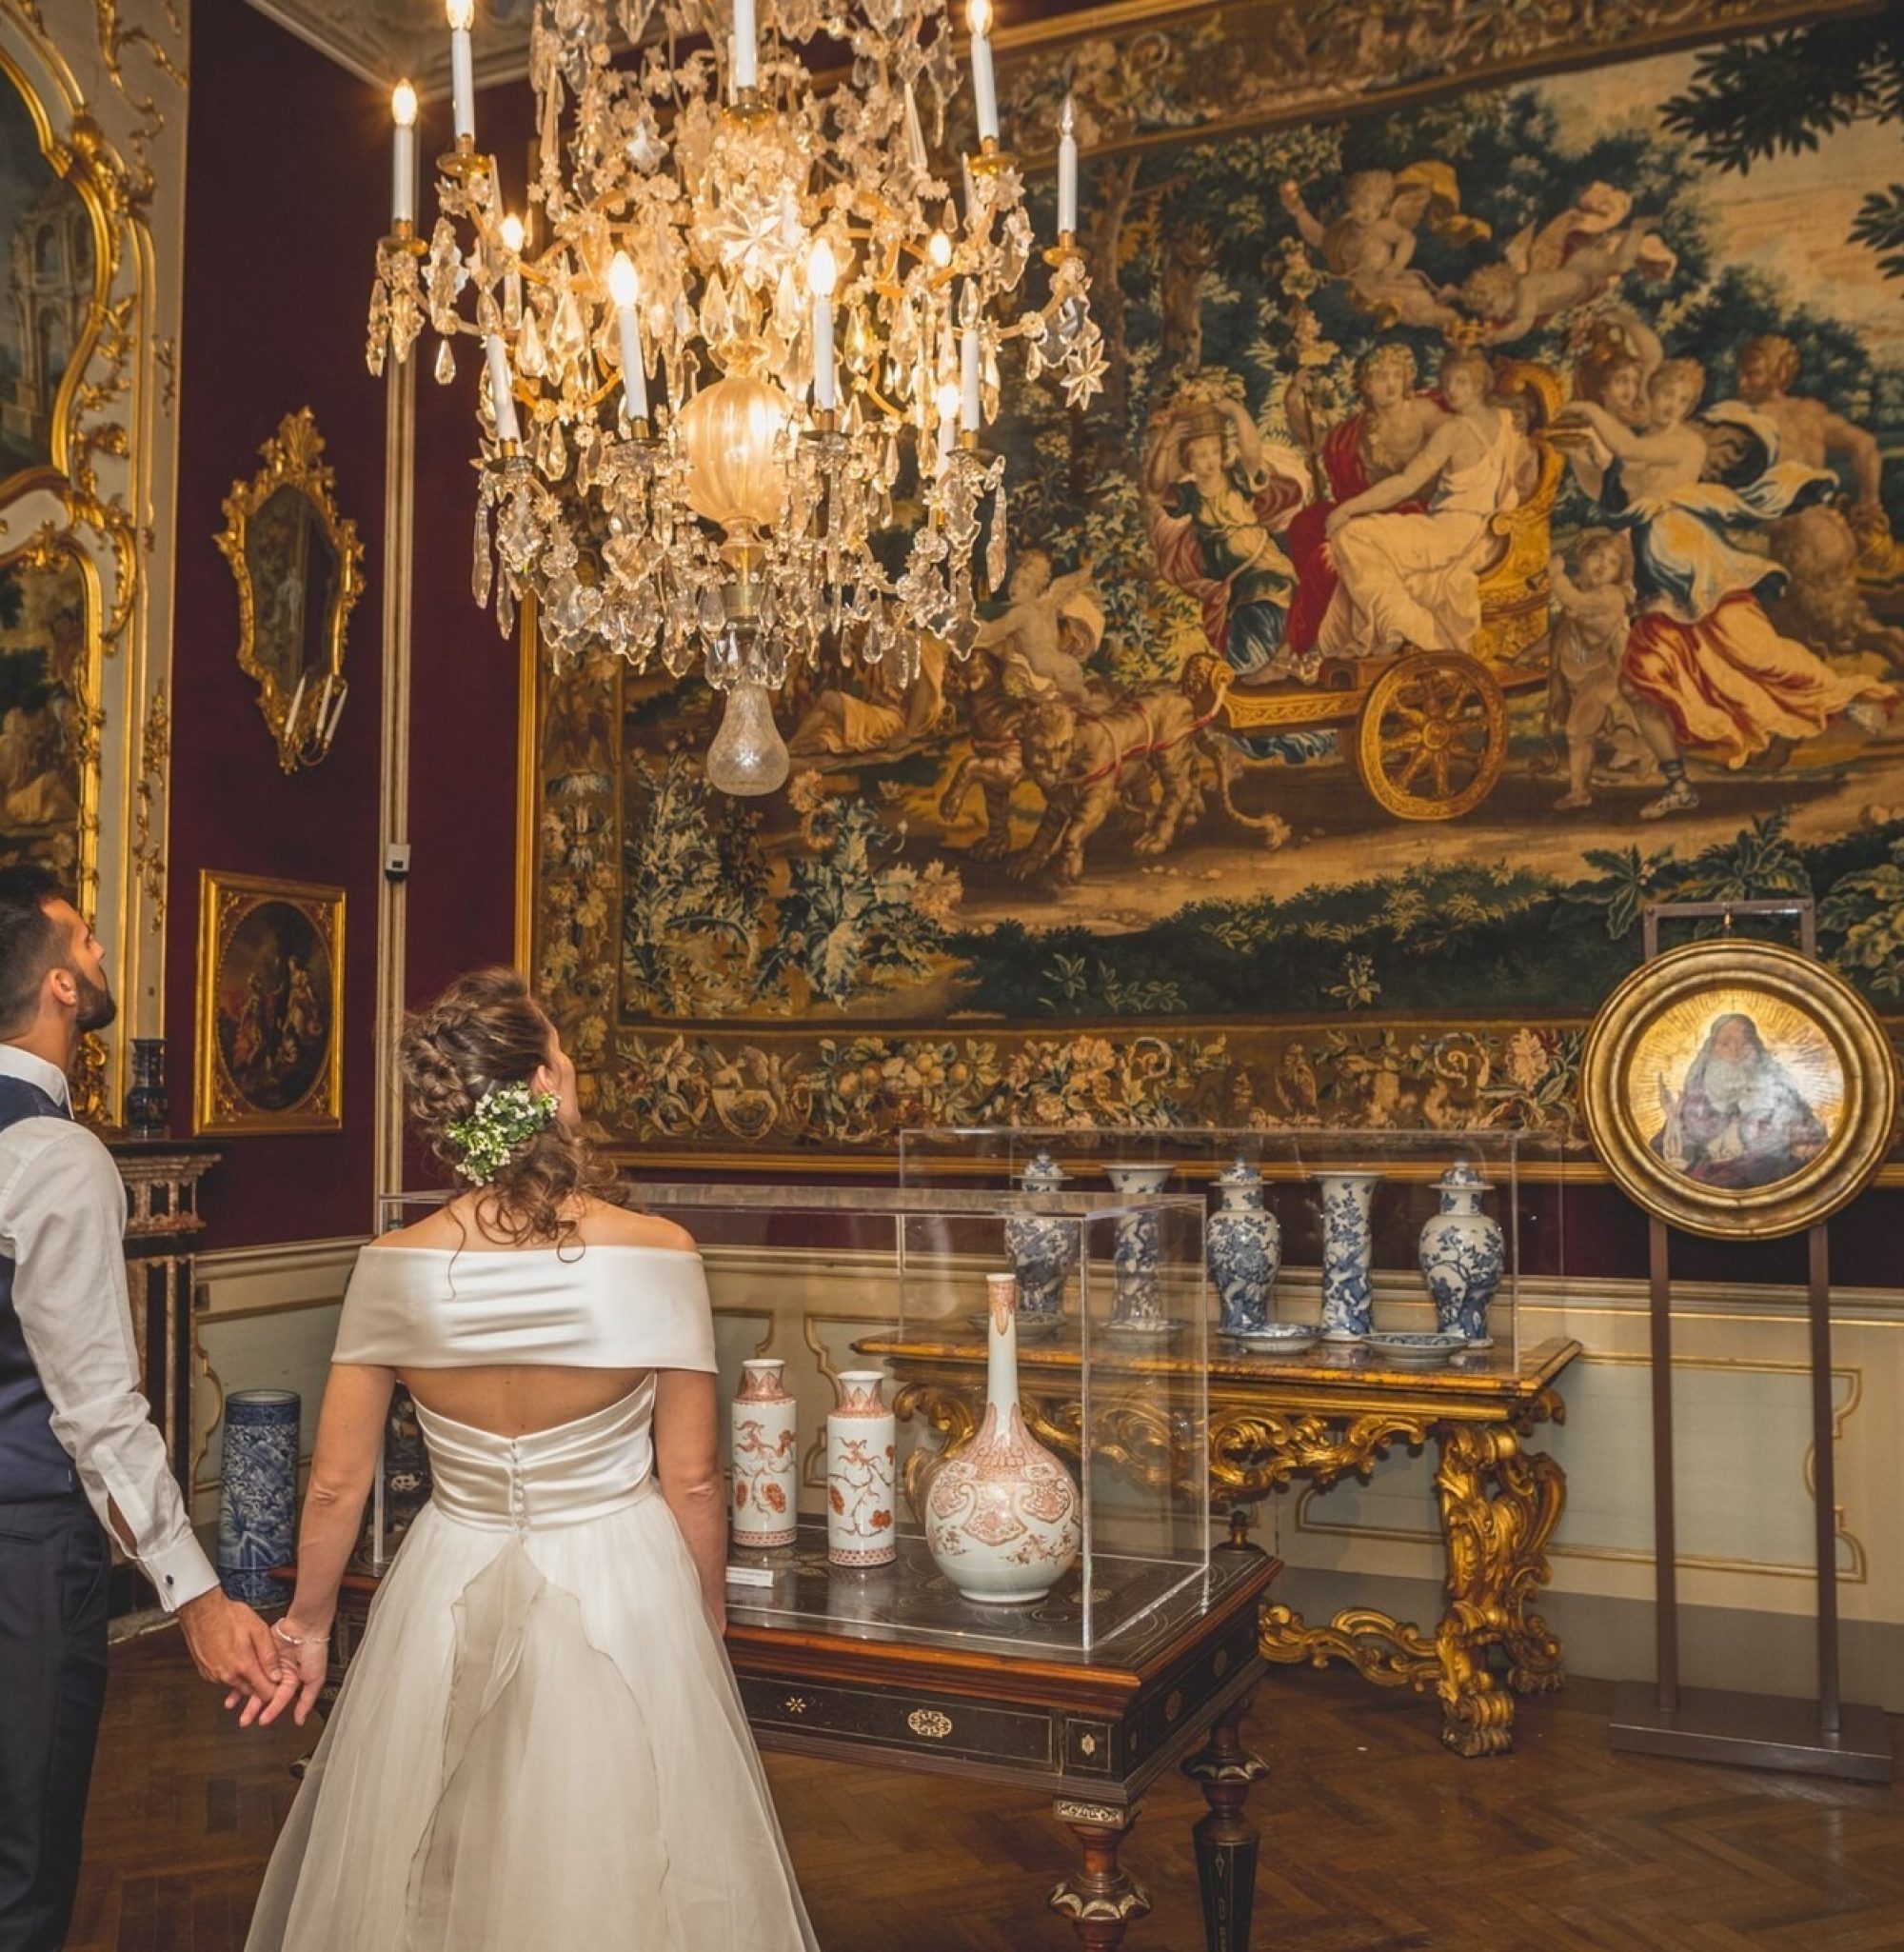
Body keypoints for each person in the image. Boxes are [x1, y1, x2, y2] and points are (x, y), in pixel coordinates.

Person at [242, 968, 816, 1952]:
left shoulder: (392, 1263)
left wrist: (304, 1621)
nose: (573, 1064)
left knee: (447, 1848)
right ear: (544, 1086)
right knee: (624, 1847)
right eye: (562, 1050)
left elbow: (338, 1481)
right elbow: (693, 1479)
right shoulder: (658, 1250)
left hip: (449, 1571)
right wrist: (704, 1616)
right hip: (620, 1578)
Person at [0, 865, 281, 1952]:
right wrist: (198, 1596)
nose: (104, 952)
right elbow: (96, 1411)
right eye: (89, 940)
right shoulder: (54, 1157)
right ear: (60, 985)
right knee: (23, 1863)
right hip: (24, 1553)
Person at [1558, 359, 1894, 818]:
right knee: (1642, 683)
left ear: (1690, 408)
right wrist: (1582, 454)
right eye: (1664, 395)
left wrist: (1584, 410)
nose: (1670, 406)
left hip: (1701, 572)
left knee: (1758, 654)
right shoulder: (1636, 456)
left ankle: (1846, 697)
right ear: (1650, 395)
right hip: (1657, 584)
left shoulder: (1683, 445)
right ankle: (1678, 784)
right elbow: (1609, 496)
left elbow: (1624, 448)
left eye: (1681, 400)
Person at [1318, 348, 1526, 658]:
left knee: (1351, 536)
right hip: (1487, 536)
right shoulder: (1509, 422)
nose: (1452, 390)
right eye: (1448, 382)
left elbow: (1406, 483)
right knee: (1373, 557)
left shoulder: (1453, 430)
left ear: (1480, 386)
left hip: (1450, 534)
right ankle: (1392, 630)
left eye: (1462, 382)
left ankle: (1414, 631)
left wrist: (1347, 509)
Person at [1653, 1011, 1827, 1188]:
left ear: (1757, 1049)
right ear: (1711, 1050)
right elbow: (1658, 1160)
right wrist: (1674, 1126)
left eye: (1745, 1043)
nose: (1735, 1051)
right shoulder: (1693, 1106)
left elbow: (1809, 1151)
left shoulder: (1784, 1100)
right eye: (1725, 1043)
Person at [1547, 529, 1640, 809]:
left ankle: (1580, 792)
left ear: (1619, 574)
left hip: (1604, 675)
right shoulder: (1583, 589)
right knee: (1592, 732)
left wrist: (1555, 576)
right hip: (1580, 674)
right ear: (1583, 556)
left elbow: (1574, 603)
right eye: (1597, 556)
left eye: (1612, 563)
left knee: (1577, 732)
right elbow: (1562, 633)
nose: (1602, 564)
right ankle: (1639, 749)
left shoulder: (1611, 597)